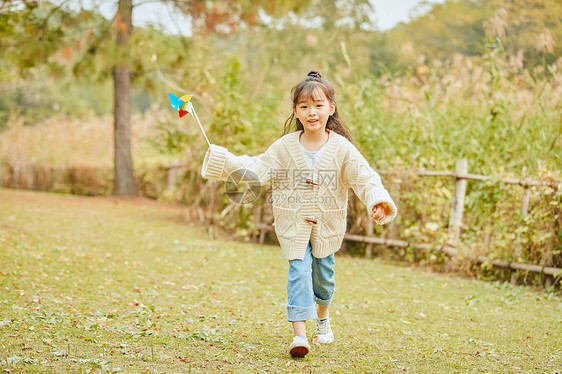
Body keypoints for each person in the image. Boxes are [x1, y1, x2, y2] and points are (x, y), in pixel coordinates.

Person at [200, 70, 397, 358]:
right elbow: (258, 166)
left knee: (323, 279)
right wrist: (226, 160)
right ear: (295, 111)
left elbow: (363, 176)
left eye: (318, 105)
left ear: (331, 107)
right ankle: (299, 337)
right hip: (292, 224)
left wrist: (377, 200)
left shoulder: (342, 148)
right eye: (304, 106)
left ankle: (323, 319)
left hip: (327, 225)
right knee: (298, 273)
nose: (311, 112)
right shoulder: (285, 146)